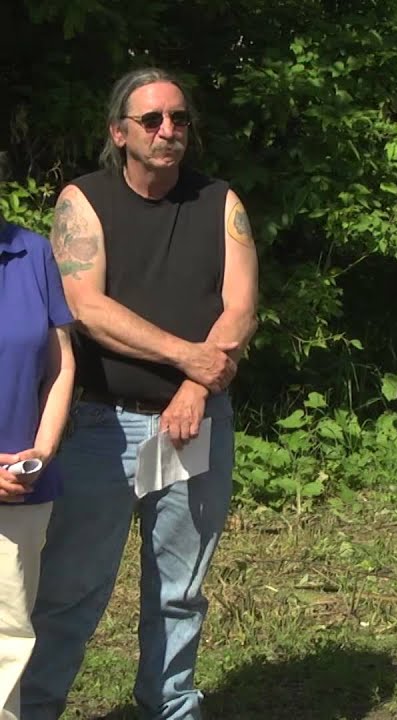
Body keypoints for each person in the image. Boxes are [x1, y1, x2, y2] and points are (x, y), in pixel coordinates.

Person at [21, 68, 259, 720]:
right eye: (152, 120)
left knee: (178, 588)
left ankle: (170, 707)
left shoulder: (220, 202)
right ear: (119, 132)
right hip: (100, 425)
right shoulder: (84, 201)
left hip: (192, 422)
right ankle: (33, 709)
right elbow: (85, 307)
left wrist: (193, 388)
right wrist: (190, 358)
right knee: (72, 588)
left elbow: (240, 308)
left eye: (179, 119)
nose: (168, 131)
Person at [0, 215, 76, 720]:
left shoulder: (32, 253)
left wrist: (40, 453)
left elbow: (62, 362)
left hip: (21, 486)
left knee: (7, 636)